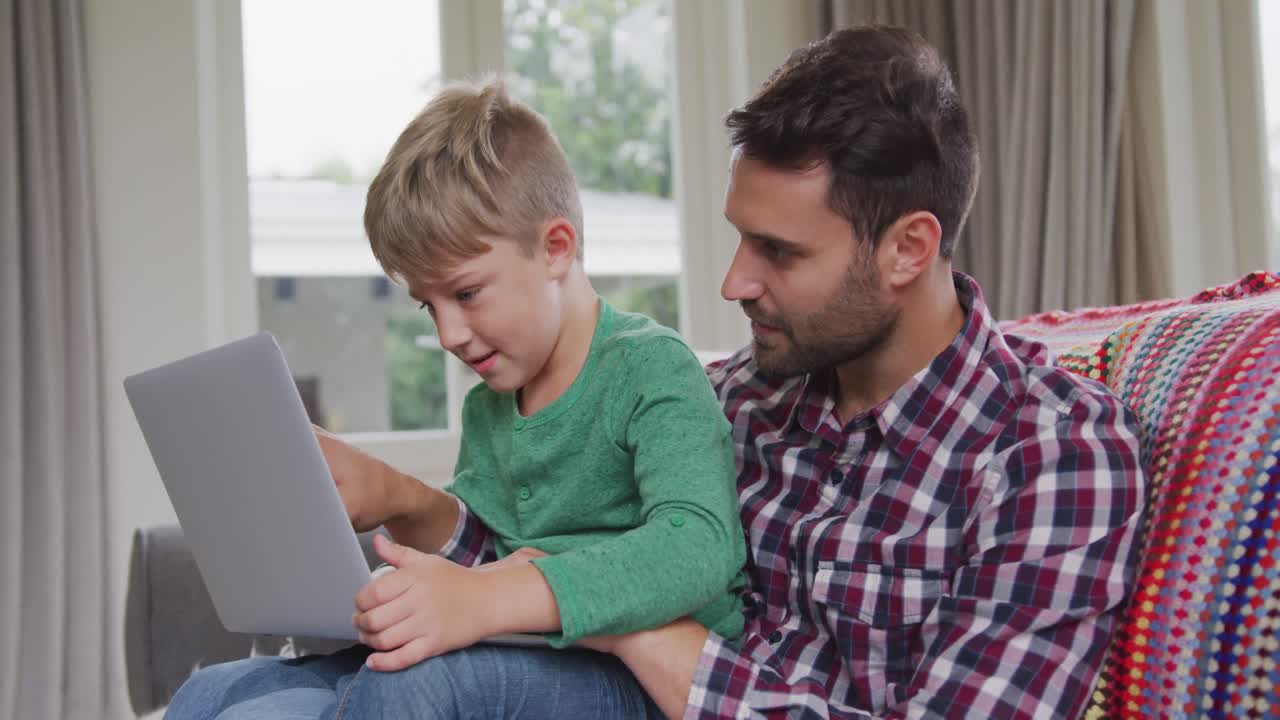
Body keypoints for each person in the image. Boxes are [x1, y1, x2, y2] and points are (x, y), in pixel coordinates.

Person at [171, 24, 1147, 720]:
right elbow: (536, 555)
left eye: (778, 252)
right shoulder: (741, 397)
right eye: (738, 238)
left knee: (417, 687)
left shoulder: (1048, 454)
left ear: (907, 248)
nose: (733, 283)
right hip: (577, 679)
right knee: (230, 692)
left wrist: (625, 626)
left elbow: (639, 570)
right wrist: (404, 504)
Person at [165, 78, 746, 719]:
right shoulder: (490, 406)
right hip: (525, 652)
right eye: (429, 305)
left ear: (556, 249)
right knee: (210, 691)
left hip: (629, 673)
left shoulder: (649, 365)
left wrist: (493, 595)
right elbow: (484, 555)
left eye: (466, 293)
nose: (448, 335)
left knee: (410, 683)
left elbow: (699, 546)